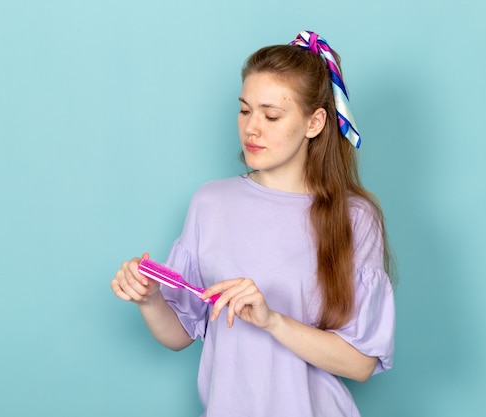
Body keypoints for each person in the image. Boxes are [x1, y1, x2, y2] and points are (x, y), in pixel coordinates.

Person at [111, 30, 395, 417]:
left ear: (315, 123)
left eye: (272, 115)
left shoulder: (354, 218)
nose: (251, 128)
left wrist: (271, 320)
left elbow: (360, 364)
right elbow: (181, 334)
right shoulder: (210, 202)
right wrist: (149, 300)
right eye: (245, 110)